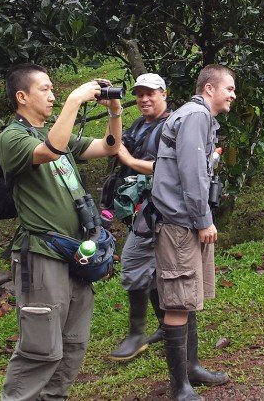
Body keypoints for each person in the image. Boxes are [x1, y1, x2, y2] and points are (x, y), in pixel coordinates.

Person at [0, 63, 122, 400]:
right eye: (45, 89)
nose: (52, 96)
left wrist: (114, 112)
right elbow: (49, 150)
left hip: (76, 254)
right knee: (41, 349)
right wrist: (74, 101)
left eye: (55, 90)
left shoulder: (56, 133)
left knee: (73, 345)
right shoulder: (12, 137)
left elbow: (109, 147)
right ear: (22, 96)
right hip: (42, 255)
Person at [151, 64, 235, 400]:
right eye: (229, 88)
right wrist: (203, 220)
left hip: (183, 221)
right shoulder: (196, 116)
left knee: (187, 298)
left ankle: (192, 368)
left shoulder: (198, 117)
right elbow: (191, 174)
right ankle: (179, 387)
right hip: (179, 224)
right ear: (210, 88)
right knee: (178, 300)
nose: (233, 95)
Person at [108, 73, 171, 361]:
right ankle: (166, 327)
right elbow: (114, 145)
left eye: (151, 93)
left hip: (157, 208)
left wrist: (131, 161)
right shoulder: (139, 124)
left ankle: (136, 336)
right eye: (140, 94)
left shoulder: (170, 126)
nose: (144, 99)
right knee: (154, 271)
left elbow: (167, 168)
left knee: (133, 263)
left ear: (164, 95)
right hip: (139, 207)